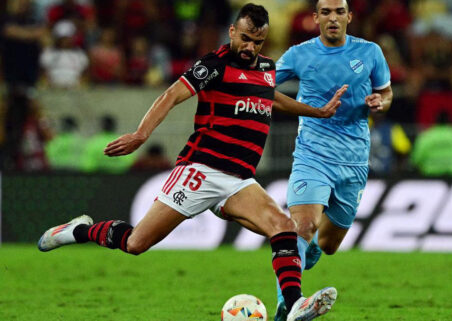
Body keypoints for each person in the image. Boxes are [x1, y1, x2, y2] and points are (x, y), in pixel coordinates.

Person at [37, 4, 347, 321]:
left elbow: (270, 95)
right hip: (199, 170)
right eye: (245, 39)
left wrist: (317, 112)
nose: (250, 47)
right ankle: (79, 231)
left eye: (257, 41)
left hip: (239, 180)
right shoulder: (214, 65)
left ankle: (294, 305)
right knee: (135, 243)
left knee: (283, 227)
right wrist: (141, 134)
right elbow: (171, 95)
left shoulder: (267, 69)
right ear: (232, 32)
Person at [272, 0, 393, 319]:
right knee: (303, 224)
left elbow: (388, 93)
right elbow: (264, 86)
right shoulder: (299, 54)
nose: (333, 18)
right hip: (312, 154)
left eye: (339, 11)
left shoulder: (370, 52)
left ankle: (308, 253)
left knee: (328, 244)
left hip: (353, 160)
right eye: (325, 12)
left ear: (350, 16)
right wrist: (304, 110)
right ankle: (288, 303)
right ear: (315, 18)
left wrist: (380, 102)